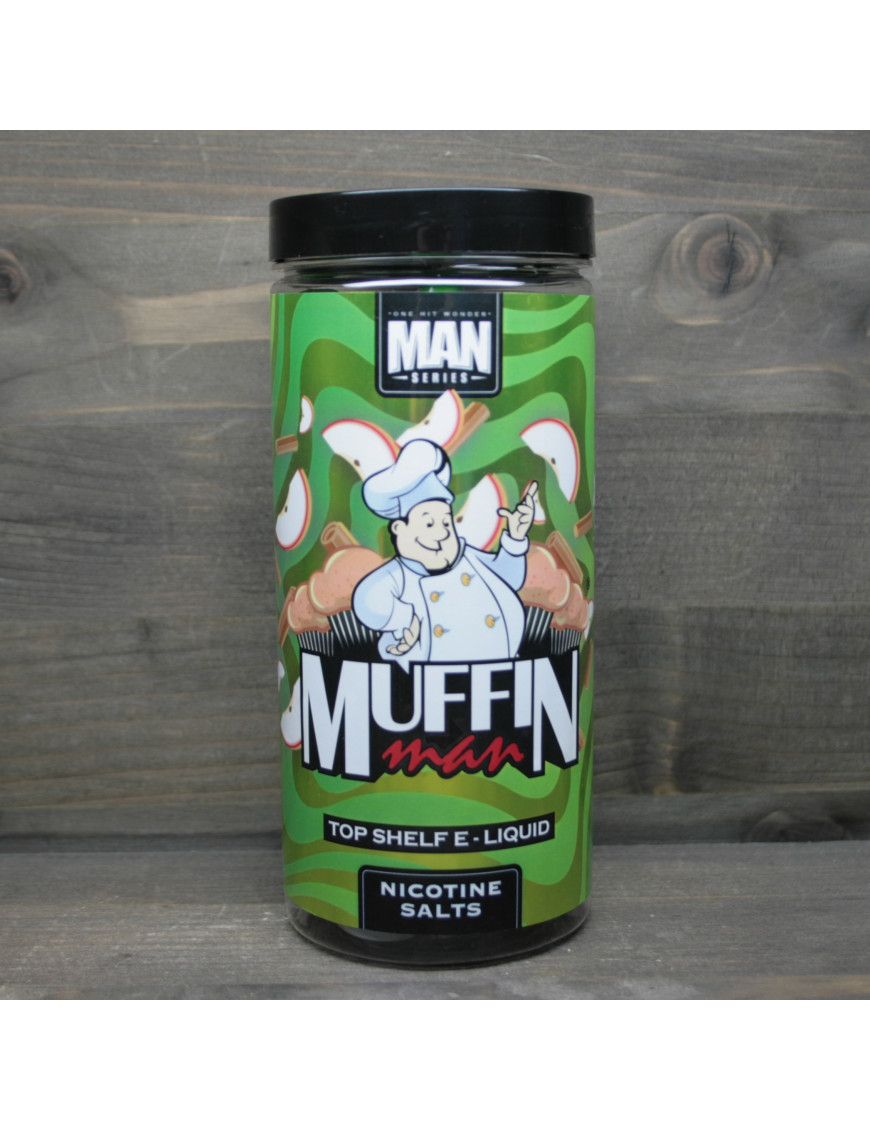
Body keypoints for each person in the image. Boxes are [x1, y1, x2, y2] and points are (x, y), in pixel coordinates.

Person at [352, 439, 536, 664]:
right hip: (428, 678)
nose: (441, 533)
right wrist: (406, 618)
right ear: (400, 528)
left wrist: (516, 538)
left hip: (501, 672)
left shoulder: (468, 557)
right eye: (429, 524)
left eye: (446, 523)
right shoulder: (398, 575)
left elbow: (509, 579)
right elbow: (366, 602)